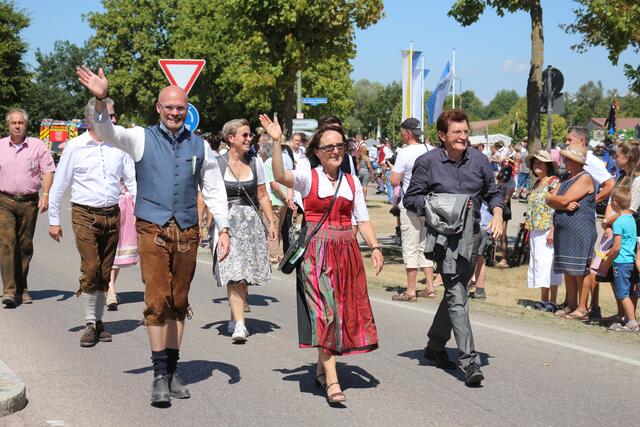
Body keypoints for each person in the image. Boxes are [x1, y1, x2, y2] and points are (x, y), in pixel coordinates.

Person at [77, 65, 231, 406]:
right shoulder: (140, 137)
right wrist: (101, 99)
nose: (175, 113)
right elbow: (105, 132)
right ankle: (160, 374)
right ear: (158, 108)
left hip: (187, 231)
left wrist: (224, 227)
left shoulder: (200, 146)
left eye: (181, 108)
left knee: (179, 301)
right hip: (153, 228)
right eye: (169, 107)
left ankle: (173, 369)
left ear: (187, 110)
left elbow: (214, 189)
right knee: (157, 300)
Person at [264, 113, 383, 404]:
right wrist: (277, 142)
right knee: (325, 314)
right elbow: (280, 176)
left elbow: (363, 220)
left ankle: (320, 370)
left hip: (346, 252)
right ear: (317, 152)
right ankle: (332, 380)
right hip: (316, 252)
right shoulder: (309, 176)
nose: (335, 151)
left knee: (338, 314)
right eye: (329, 147)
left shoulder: (352, 182)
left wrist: (376, 247)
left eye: (340, 146)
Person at [403, 109, 505, 387]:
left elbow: (494, 193)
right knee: (458, 294)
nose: (462, 136)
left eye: (465, 131)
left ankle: (435, 346)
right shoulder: (427, 162)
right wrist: (443, 206)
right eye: (456, 132)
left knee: (453, 291)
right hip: (445, 239)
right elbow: (411, 199)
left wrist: (497, 212)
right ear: (442, 135)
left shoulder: (479, 160)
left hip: (474, 237)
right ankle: (470, 361)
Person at [48, 97, 135, 346]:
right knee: (91, 267)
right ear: (91, 119)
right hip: (84, 213)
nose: (113, 120)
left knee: (105, 271)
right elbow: (59, 185)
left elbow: (132, 182)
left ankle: (98, 321)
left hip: (112, 213)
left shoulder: (120, 146)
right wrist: (54, 220)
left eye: (114, 115)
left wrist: (140, 214)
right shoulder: (75, 147)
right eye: (109, 115)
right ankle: (89, 323)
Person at [215, 118, 277, 343]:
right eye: (245, 135)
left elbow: (262, 195)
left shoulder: (256, 162)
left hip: (250, 223)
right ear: (231, 138)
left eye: (250, 135)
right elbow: (207, 195)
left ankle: (235, 316)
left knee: (244, 274)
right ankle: (240, 324)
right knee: (233, 272)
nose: (249, 138)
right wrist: (203, 222)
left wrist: (271, 223)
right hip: (226, 225)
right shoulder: (217, 163)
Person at [0, 109, 55, 308]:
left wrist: (46, 194)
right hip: (4, 201)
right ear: (8, 125)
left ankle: (22, 287)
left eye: (20, 123)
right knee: (7, 243)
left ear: (26, 125)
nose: (17, 126)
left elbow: (48, 171)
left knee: (24, 246)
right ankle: (9, 290)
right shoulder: (0, 146)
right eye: (13, 123)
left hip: (29, 202)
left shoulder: (37, 146)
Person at [566, 127, 614, 323]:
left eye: (570, 139)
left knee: (587, 265)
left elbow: (610, 183)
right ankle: (574, 303)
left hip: (584, 219)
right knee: (573, 264)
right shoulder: (574, 159)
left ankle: (591, 306)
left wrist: (592, 200)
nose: (567, 143)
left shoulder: (590, 160)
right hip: (572, 219)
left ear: (582, 141)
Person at [547, 144, 597, 319]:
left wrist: (560, 202)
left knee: (580, 270)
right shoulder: (566, 177)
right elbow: (549, 199)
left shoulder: (584, 178)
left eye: (567, 159)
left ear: (576, 161)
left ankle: (582, 308)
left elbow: (562, 199)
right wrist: (562, 204)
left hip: (580, 230)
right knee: (568, 269)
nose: (564, 161)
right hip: (565, 230)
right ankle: (571, 304)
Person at [389, 117, 435, 301]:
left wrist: (392, 169)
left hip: (410, 205)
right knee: (426, 246)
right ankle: (430, 287)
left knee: (410, 246)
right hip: (429, 205)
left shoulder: (404, 153)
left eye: (402, 132)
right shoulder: (431, 150)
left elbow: (394, 180)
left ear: (407, 133)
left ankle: (410, 290)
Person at [524, 151, 562, 311]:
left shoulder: (554, 182)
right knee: (539, 263)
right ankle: (544, 299)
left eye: (541, 162)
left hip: (548, 229)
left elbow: (557, 208)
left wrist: (553, 230)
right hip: (536, 229)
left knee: (549, 264)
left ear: (548, 166)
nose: (537, 165)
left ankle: (552, 300)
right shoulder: (537, 183)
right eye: (535, 163)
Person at [601, 187, 639, 332]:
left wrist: (606, 262)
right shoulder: (631, 219)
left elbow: (616, 247)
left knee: (622, 294)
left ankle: (632, 323)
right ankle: (626, 320)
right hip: (630, 260)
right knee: (628, 292)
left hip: (621, 262)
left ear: (615, 203)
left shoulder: (618, 222)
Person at [495, 165, 516, 268]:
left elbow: (507, 198)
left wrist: (499, 207)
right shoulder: (495, 178)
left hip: (504, 208)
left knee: (503, 233)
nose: (503, 179)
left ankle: (504, 258)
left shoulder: (512, 182)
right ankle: (489, 254)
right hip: (492, 205)